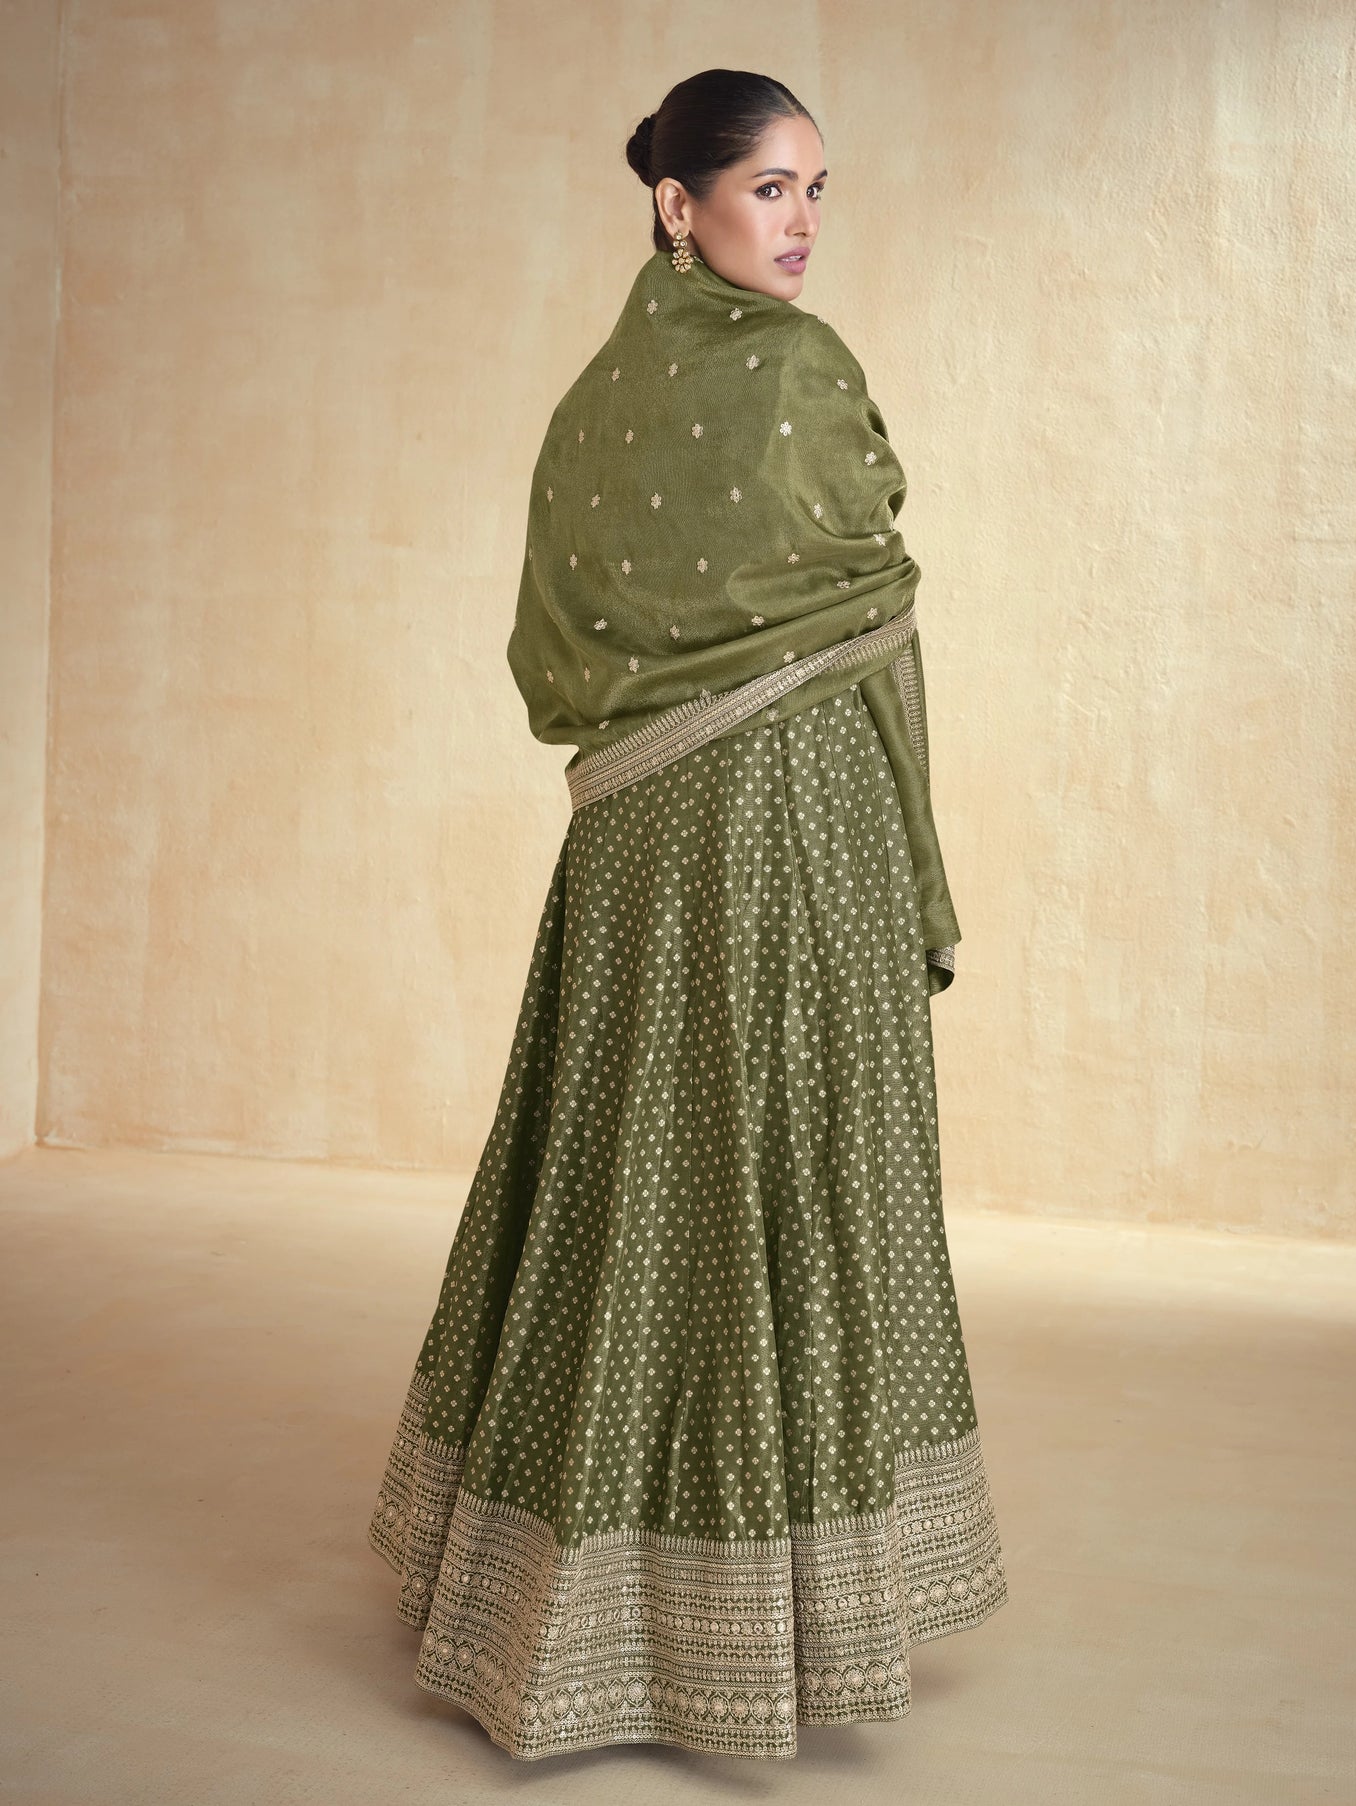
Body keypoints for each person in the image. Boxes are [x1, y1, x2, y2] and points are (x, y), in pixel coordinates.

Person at [368, 67, 1008, 1762]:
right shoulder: (805, 375)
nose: (797, 225)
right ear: (678, 202)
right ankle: (762, 1618)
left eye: (816, 193)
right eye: (769, 191)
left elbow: (555, 647)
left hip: (634, 839)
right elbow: (868, 587)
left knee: (634, 1170)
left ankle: (551, 1594)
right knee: (777, 1173)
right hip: (792, 824)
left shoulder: (592, 401)